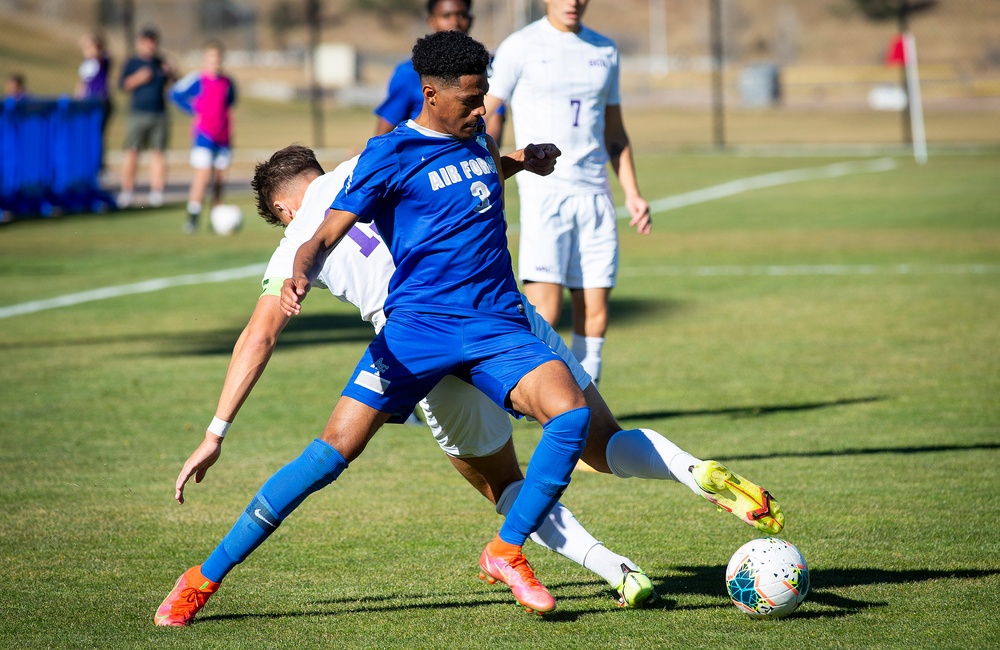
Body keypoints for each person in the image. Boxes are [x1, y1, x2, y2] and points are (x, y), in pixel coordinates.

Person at [154, 142, 785, 627]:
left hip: (418, 343)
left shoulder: (295, 239)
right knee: (600, 442)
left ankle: (614, 569)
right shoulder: (378, 157)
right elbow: (465, 172)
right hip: (500, 311)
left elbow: (257, 338)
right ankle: (688, 468)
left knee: (446, 473)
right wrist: (521, 160)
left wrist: (216, 432)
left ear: (284, 207)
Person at [485, 0, 652, 388]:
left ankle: (586, 417)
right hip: (546, 195)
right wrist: (489, 171)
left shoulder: (604, 50)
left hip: (595, 195)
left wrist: (631, 191)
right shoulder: (519, 47)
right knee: (545, 311)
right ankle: (528, 394)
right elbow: (489, 114)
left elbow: (614, 129)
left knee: (594, 314)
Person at [374, 0, 505, 143]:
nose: (454, 22)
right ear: (432, 21)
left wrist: (486, 158)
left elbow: (494, 119)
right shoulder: (409, 72)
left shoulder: (485, 70)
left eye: (461, 15)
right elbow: (385, 130)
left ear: (470, 20)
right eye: (446, 15)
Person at [169, 39, 238, 234]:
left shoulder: (227, 82)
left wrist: (231, 132)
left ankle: (217, 216)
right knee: (203, 174)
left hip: (222, 136)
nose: (214, 62)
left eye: (217, 58)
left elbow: (229, 107)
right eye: (210, 58)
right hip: (204, 135)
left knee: (220, 178)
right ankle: (193, 215)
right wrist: (193, 110)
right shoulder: (197, 80)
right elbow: (174, 94)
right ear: (205, 59)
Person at [118, 27, 175, 208]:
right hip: (138, 113)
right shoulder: (133, 62)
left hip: (159, 113)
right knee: (132, 151)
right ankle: (127, 191)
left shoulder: (161, 62)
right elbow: (123, 85)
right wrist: (139, 78)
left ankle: (157, 192)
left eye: (153, 41)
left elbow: (176, 85)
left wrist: (172, 72)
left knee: (158, 153)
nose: (150, 44)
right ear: (140, 42)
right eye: (146, 41)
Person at [75, 31, 113, 169]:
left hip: (100, 101)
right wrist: (78, 97)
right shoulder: (86, 61)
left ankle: (99, 166)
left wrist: (90, 44)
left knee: (97, 134)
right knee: (86, 134)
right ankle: (88, 164)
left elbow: (97, 55)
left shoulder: (103, 58)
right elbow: (84, 81)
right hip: (87, 102)